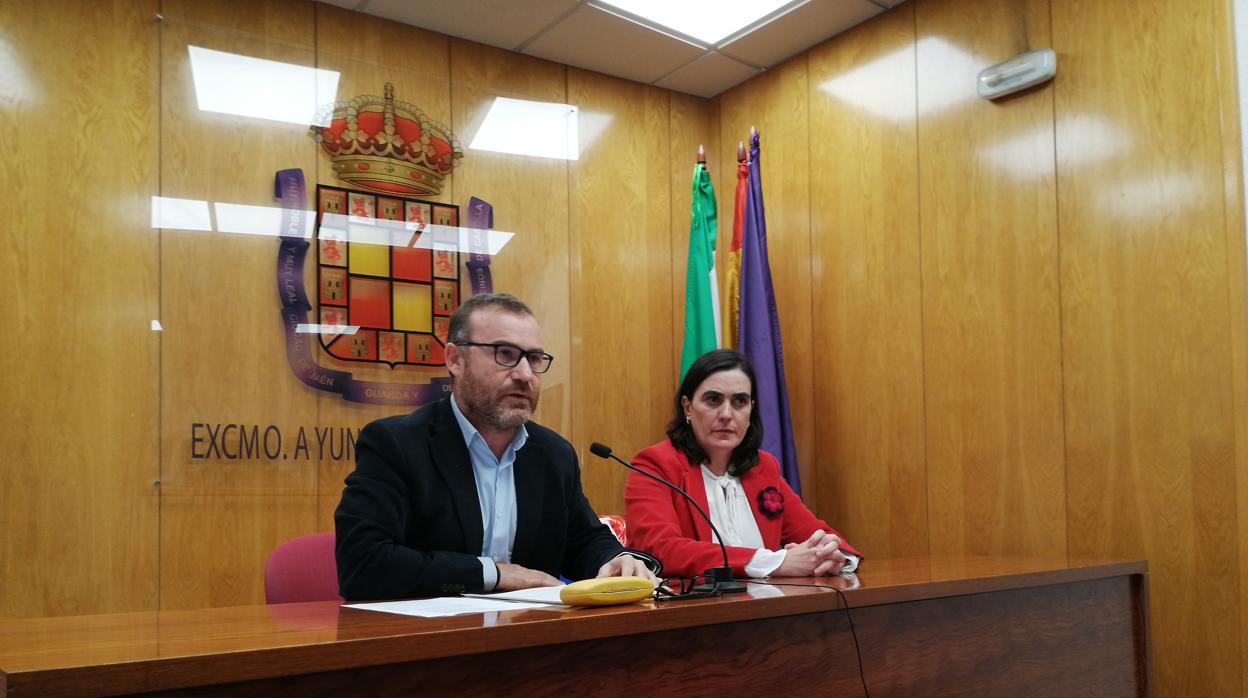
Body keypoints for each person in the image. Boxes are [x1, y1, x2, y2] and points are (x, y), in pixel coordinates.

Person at [335, 293, 659, 600]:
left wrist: (616, 561)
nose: (524, 374)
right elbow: (363, 563)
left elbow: (582, 539)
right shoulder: (398, 444)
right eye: (505, 354)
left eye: (534, 358)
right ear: (455, 359)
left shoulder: (552, 453)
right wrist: (493, 574)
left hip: (530, 642)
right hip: (428, 645)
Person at [625, 349, 861, 580]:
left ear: (750, 411)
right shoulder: (655, 466)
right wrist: (775, 562)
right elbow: (661, 551)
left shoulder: (762, 467)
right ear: (688, 407)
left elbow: (815, 533)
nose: (726, 414)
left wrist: (831, 554)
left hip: (767, 609)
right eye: (713, 400)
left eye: (739, 401)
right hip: (691, 611)